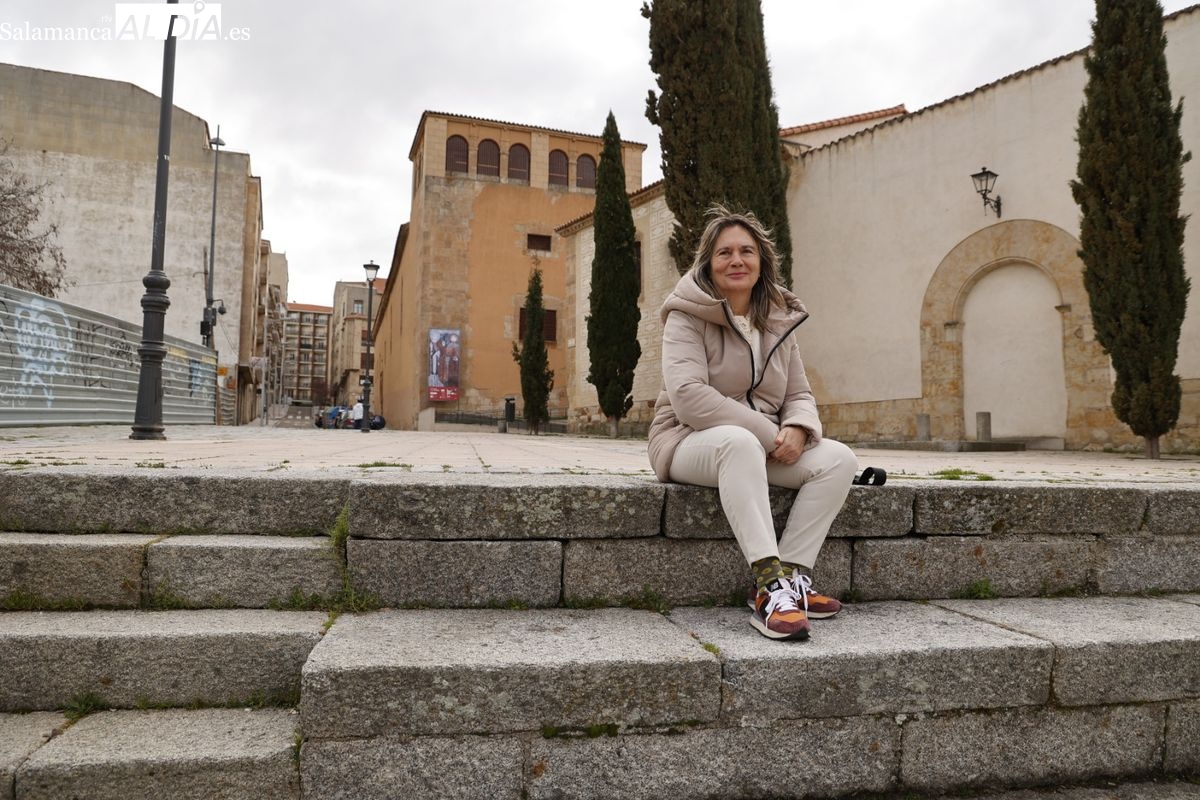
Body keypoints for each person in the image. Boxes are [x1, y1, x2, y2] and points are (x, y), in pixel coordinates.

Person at [648, 206, 858, 641]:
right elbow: (688, 397)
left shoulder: (777, 319)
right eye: (724, 252)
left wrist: (799, 429)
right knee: (738, 442)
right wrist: (768, 433)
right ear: (708, 262)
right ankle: (768, 584)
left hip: (757, 445)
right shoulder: (686, 315)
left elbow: (798, 393)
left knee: (839, 458)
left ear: (762, 261)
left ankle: (793, 581)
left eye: (746, 251)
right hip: (689, 442)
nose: (736, 260)